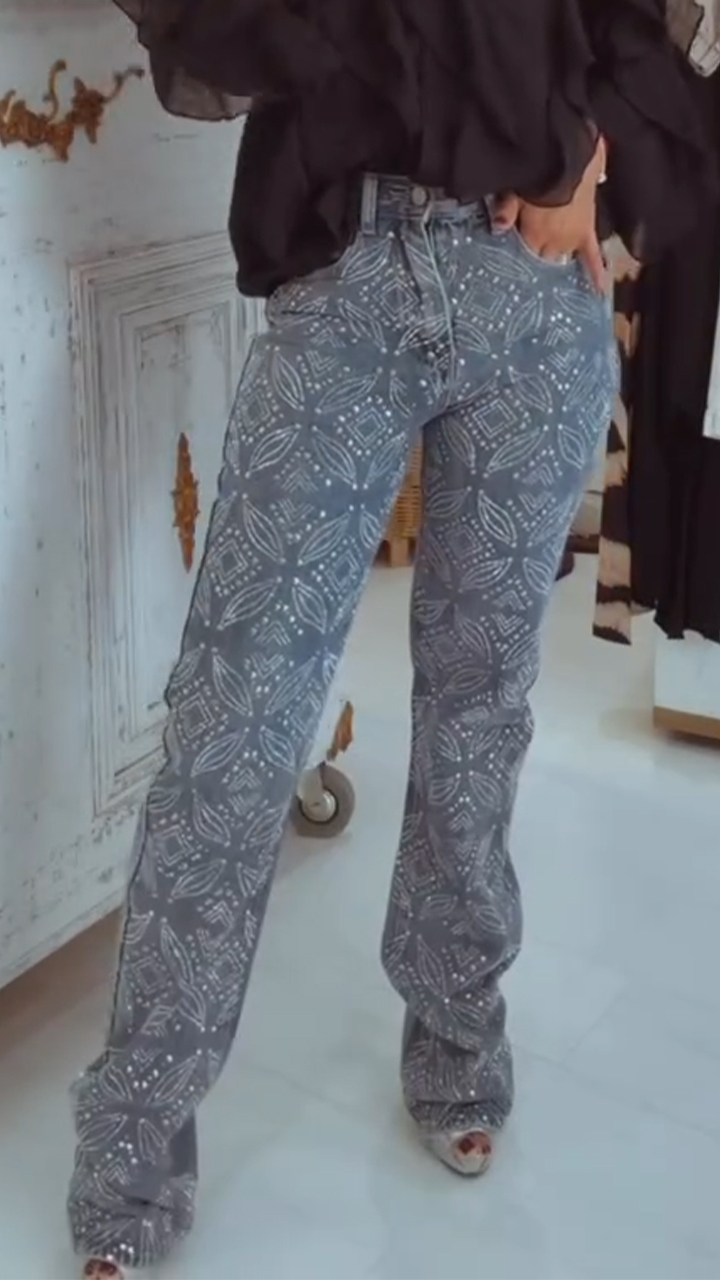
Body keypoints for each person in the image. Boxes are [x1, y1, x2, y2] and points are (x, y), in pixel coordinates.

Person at [71, 2, 716, 1276]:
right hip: (347, 277)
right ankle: (132, 1141)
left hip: (534, 290)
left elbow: (630, 20)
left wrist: (591, 157)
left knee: (483, 699)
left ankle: (460, 1038)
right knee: (234, 726)